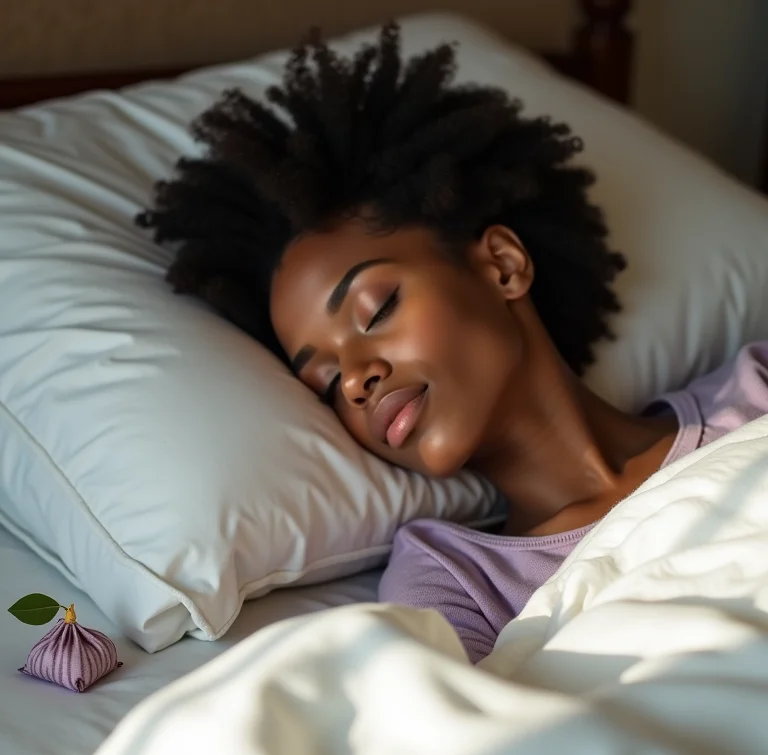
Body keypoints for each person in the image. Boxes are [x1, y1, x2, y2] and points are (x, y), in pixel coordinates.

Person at [137, 24, 768, 664]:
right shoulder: (453, 584)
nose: (355, 380)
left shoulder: (753, 393)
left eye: (375, 308)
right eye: (326, 382)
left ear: (501, 265)